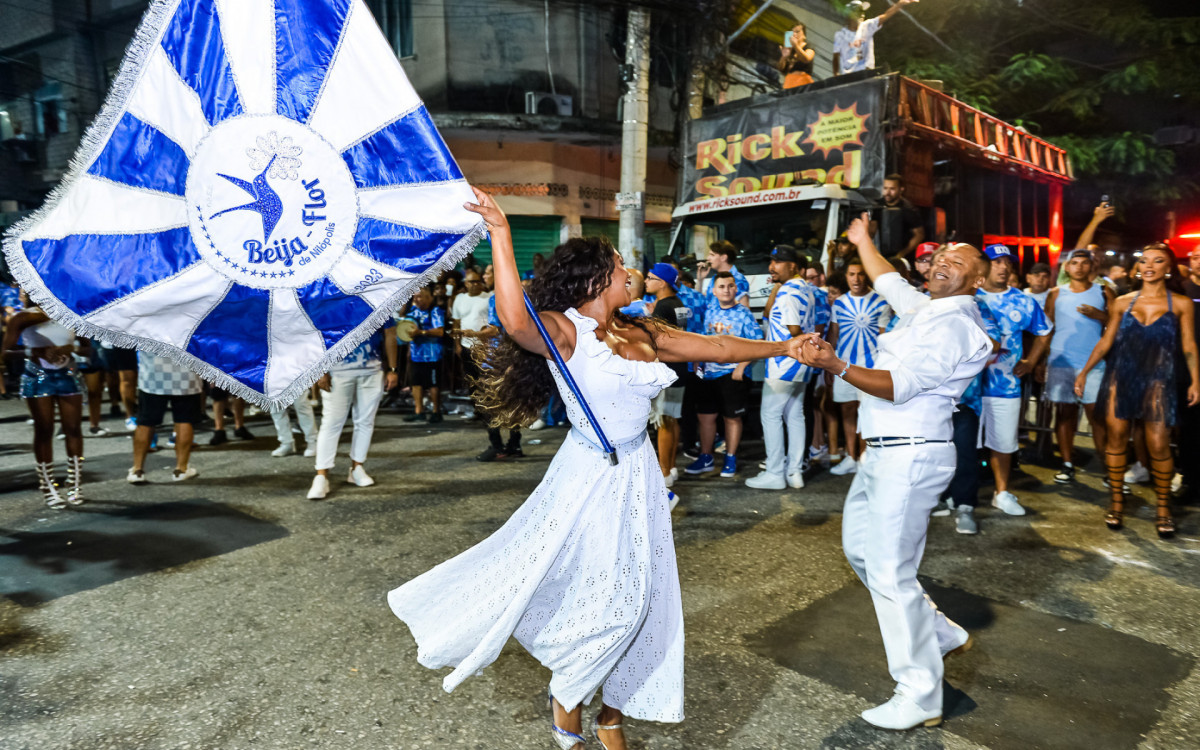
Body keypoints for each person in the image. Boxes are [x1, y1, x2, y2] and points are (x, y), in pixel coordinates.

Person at [388, 189, 806, 750]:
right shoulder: (566, 330)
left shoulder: (641, 329)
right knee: (603, 596)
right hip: (590, 474)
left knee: (644, 596)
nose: (628, 271)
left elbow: (718, 346)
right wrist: (501, 233)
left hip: (638, 475)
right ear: (593, 281)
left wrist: (783, 345)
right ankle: (568, 698)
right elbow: (514, 321)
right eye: (617, 267)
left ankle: (611, 711)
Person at [797, 213, 992, 730]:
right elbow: (889, 280)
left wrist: (836, 366)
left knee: (889, 572)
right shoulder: (928, 308)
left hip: (911, 455)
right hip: (884, 452)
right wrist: (863, 240)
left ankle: (921, 693)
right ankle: (941, 634)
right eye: (942, 256)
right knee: (861, 552)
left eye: (959, 262)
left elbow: (900, 384)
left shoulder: (953, 324)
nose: (944, 262)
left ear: (977, 281)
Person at [1075, 243, 1199, 538]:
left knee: (1158, 444)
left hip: (1159, 378)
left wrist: (1196, 380)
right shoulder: (1121, 302)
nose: (1150, 265)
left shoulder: (1181, 303)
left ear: (1168, 268)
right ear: (1138, 267)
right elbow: (1106, 342)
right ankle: (1117, 503)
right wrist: (1084, 371)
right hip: (1122, 375)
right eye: (1144, 260)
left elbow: (1189, 345)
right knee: (1116, 439)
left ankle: (1163, 509)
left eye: (1158, 261)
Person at [975, 244, 1052, 516]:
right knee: (961, 443)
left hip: (1005, 386)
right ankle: (957, 495)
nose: (1004, 267)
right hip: (966, 388)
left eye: (1008, 262)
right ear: (983, 265)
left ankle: (1002, 493)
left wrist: (1031, 362)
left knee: (1004, 442)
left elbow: (1044, 331)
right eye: (997, 262)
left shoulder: (1023, 300)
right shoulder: (968, 296)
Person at [3, 292, 85, 508]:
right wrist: (34, 351)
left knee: (73, 429)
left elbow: (88, 350)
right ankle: (48, 487)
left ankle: (75, 485)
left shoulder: (69, 313)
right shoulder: (23, 318)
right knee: (44, 429)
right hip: (37, 376)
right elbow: (5, 351)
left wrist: (71, 348)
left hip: (68, 374)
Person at [746, 246, 815, 490]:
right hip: (803, 363)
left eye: (777, 262)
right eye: (772, 261)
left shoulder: (787, 292)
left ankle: (775, 472)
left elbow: (794, 330)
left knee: (770, 414)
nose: (771, 266)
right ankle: (794, 472)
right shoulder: (806, 288)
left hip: (783, 363)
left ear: (793, 266)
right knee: (795, 416)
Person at [305, 323, 399, 500]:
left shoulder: (378, 298)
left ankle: (357, 468)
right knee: (331, 423)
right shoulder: (332, 297)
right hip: (337, 372)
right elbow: (317, 333)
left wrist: (393, 369)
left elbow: (390, 333)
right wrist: (320, 369)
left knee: (365, 422)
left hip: (372, 370)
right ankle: (321, 476)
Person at [1043, 249, 1113, 484]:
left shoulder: (1103, 291)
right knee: (1064, 415)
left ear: (1091, 266)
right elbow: (1046, 329)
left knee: (1098, 418)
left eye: (1085, 263)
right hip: (1061, 362)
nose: (1080, 267)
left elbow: (1117, 324)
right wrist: (1040, 361)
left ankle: (1109, 468)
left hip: (1093, 363)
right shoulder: (1055, 293)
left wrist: (1100, 315)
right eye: (1075, 263)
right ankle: (1067, 463)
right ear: (1067, 267)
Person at [686, 272, 764, 479]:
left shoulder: (744, 314)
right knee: (705, 416)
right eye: (721, 287)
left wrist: (742, 366)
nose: (726, 290)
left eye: (730, 286)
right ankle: (706, 457)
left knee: (732, 417)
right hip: (708, 374)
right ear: (714, 291)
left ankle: (730, 457)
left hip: (732, 374)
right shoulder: (709, 311)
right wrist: (697, 363)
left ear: (736, 289)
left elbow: (758, 342)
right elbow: (702, 340)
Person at [827, 258, 892, 476]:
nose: (856, 279)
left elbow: (885, 338)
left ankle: (864, 458)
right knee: (847, 410)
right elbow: (834, 335)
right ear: (846, 277)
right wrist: (829, 366)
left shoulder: (881, 301)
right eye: (852, 274)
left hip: (870, 368)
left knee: (867, 413)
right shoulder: (840, 303)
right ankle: (850, 457)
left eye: (860, 274)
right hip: (843, 366)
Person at [646, 263, 689, 489]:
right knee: (672, 419)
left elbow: (655, 341)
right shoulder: (679, 304)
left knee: (663, 421)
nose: (645, 281)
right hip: (680, 369)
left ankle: (663, 473)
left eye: (650, 277)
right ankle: (671, 467)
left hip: (667, 370)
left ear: (661, 283)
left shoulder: (663, 307)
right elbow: (683, 333)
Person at [127, 351, 201, 483]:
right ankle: (181, 469)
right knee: (184, 419)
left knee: (145, 421)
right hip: (186, 372)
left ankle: (137, 470)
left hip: (153, 373)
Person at [474, 291, 524, 462]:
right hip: (518, 356)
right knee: (514, 404)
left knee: (488, 405)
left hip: (497, 359)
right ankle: (514, 445)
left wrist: (474, 334)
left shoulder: (497, 298)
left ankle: (497, 447)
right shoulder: (525, 296)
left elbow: (494, 329)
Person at [833, 0, 920, 76]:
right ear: (850, 15)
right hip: (848, 77)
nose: (862, 15)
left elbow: (885, 15)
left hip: (865, 74)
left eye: (862, 12)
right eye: (858, 12)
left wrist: (900, 4)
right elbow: (835, 57)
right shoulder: (840, 35)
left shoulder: (867, 26)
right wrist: (836, 74)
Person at [406, 285, 446, 424]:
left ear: (429, 297)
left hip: (432, 354)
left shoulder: (435, 311)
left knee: (433, 384)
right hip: (416, 354)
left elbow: (440, 332)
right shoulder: (412, 310)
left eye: (420, 296)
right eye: (415, 296)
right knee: (416, 383)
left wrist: (422, 332)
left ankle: (436, 412)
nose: (416, 299)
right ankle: (419, 411)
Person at [873, 174, 925, 258]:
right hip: (879, 254)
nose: (887, 193)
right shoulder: (877, 205)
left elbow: (919, 235)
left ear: (901, 189)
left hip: (900, 255)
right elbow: (872, 229)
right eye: (885, 188)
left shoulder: (909, 209)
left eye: (892, 189)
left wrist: (902, 254)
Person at [697, 240, 750, 308]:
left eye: (712, 255)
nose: (708, 258)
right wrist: (700, 280)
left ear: (723, 257)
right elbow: (700, 302)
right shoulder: (715, 278)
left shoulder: (738, 280)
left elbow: (744, 311)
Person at [777, 23, 815, 89]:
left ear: (804, 35)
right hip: (789, 84)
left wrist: (796, 45)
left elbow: (806, 59)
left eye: (797, 32)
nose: (794, 34)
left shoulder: (808, 47)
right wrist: (784, 57)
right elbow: (782, 69)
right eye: (792, 32)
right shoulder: (791, 49)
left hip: (803, 84)